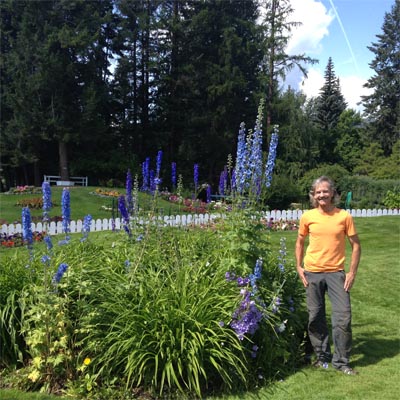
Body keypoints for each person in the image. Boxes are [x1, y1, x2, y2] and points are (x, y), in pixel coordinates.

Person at [295, 176, 361, 375]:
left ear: (332, 193)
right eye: (318, 192)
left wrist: (352, 272)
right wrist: (299, 267)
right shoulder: (308, 216)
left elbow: (356, 245)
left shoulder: (344, 217)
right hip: (312, 273)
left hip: (336, 274)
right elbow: (300, 242)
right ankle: (322, 357)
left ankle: (341, 362)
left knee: (343, 317)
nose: (322, 195)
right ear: (313, 195)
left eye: (325, 191)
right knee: (315, 317)